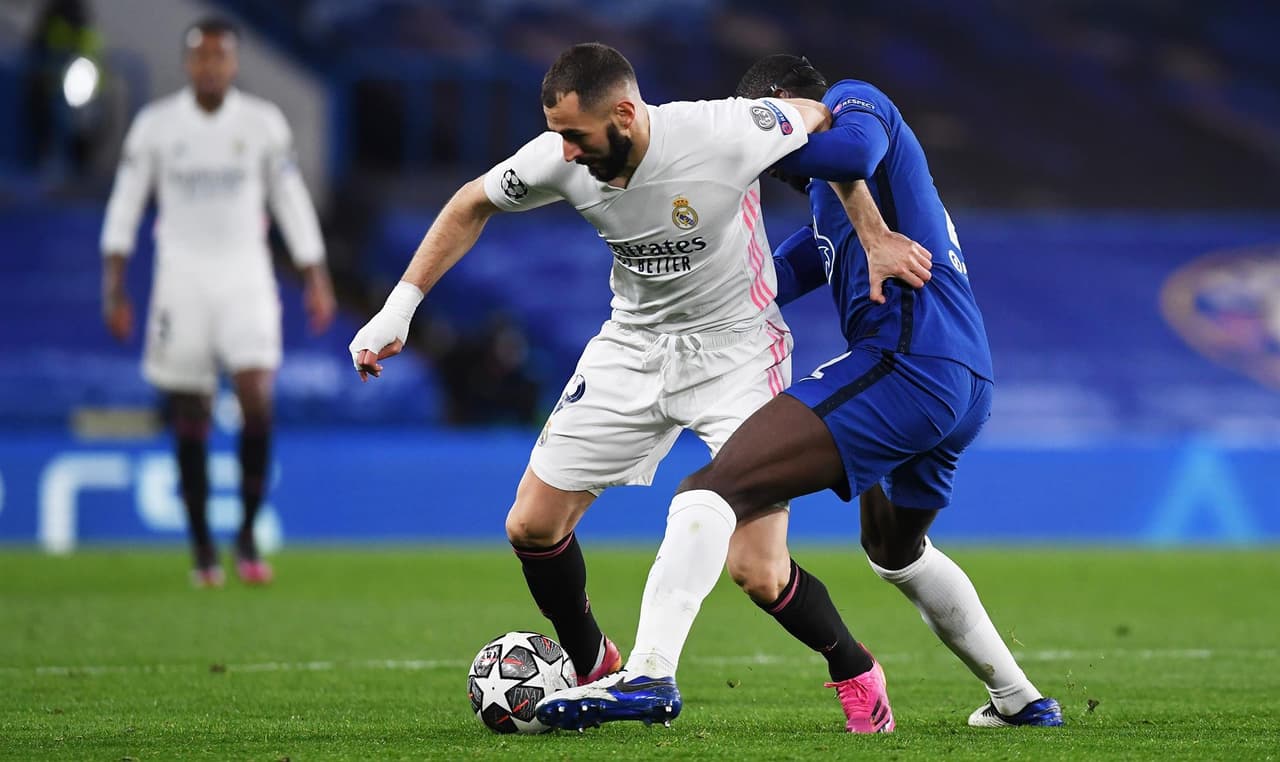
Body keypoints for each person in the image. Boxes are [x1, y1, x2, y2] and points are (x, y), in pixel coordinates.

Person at [348, 43, 926, 717]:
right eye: (557, 134)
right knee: (531, 525)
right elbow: (469, 203)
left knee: (759, 571)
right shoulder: (556, 160)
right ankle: (595, 663)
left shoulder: (722, 129)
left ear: (625, 113)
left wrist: (874, 232)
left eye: (576, 136)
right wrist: (400, 308)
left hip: (738, 351)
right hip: (632, 345)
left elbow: (822, 121)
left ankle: (856, 671)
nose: (563, 152)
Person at [537, 55, 1064, 732]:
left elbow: (847, 147)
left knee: (713, 488)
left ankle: (649, 673)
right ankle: (1020, 699)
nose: (766, 166)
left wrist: (753, 137)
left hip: (909, 365)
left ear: (783, 105)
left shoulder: (854, 101)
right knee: (894, 552)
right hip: (958, 379)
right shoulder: (830, 203)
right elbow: (791, 269)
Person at [100, 17, 336, 587]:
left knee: (257, 395)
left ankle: (248, 532)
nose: (210, 67)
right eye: (201, 57)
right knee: (191, 412)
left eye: (220, 57)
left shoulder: (261, 124)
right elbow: (127, 202)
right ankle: (203, 545)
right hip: (180, 281)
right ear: (188, 64)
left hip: (245, 277)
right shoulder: (156, 127)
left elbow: (290, 199)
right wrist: (114, 285)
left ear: (233, 63)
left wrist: (315, 274)